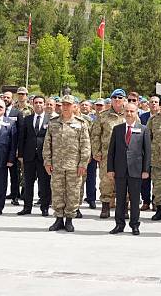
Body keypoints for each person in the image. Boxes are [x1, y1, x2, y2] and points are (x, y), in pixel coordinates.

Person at [43, 95, 91, 232]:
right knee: (57, 192)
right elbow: (47, 144)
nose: (65, 107)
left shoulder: (81, 123)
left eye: (68, 104)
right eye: (63, 104)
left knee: (73, 193)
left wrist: (83, 164)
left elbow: (86, 145)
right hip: (57, 165)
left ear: (74, 106)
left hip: (74, 166)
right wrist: (47, 161)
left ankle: (69, 219)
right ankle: (58, 219)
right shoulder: (53, 123)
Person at [107, 103, 151, 235]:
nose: (129, 114)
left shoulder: (143, 129)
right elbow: (111, 151)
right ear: (124, 112)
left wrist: (145, 170)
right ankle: (119, 225)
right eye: (127, 111)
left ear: (136, 112)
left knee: (135, 199)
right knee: (120, 199)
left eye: (132, 111)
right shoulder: (117, 129)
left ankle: (134, 225)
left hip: (136, 170)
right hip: (120, 170)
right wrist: (110, 169)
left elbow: (147, 152)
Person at [91, 89, 127, 218]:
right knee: (106, 181)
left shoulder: (130, 114)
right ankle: (105, 207)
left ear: (124, 100)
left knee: (124, 181)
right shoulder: (103, 116)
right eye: (114, 97)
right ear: (111, 100)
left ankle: (123, 208)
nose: (117, 100)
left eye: (120, 97)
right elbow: (95, 135)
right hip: (107, 155)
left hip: (125, 156)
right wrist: (96, 151)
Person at [17, 95, 52, 216]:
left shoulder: (50, 119)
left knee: (44, 183)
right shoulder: (27, 119)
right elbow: (22, 137)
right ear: (32, 103)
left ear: (44, 104)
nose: (38, 104)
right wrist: (20, 154)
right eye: (36, 102)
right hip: (29, 156)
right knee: (28, 183)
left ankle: (45, 207)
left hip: (44, 157)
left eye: (40, 102)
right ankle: (27, 207)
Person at [2, 91, 24, 205]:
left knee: (14, 174)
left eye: (8, 97)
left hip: (13, 149)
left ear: (12, 99)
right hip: (1, 149)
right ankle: (1, 194)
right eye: (4, 97)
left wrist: (18, 150)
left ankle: (15, 196)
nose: (5, 99)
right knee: (1, 174)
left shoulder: (17, 113)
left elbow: (21, 133)